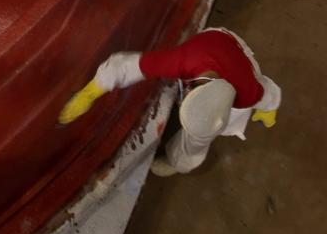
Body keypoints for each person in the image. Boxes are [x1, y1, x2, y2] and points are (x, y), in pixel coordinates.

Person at [58, 28, 281, 178]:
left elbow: (268, 92)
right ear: (193, 86)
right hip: (217, 43)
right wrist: (92, 90)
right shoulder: (185, 59)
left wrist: (271, 108)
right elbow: (126, 65)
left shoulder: (249, 92)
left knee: (195, 142)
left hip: (237, 58)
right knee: (197, 128)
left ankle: (178, 161)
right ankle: (181, 154)